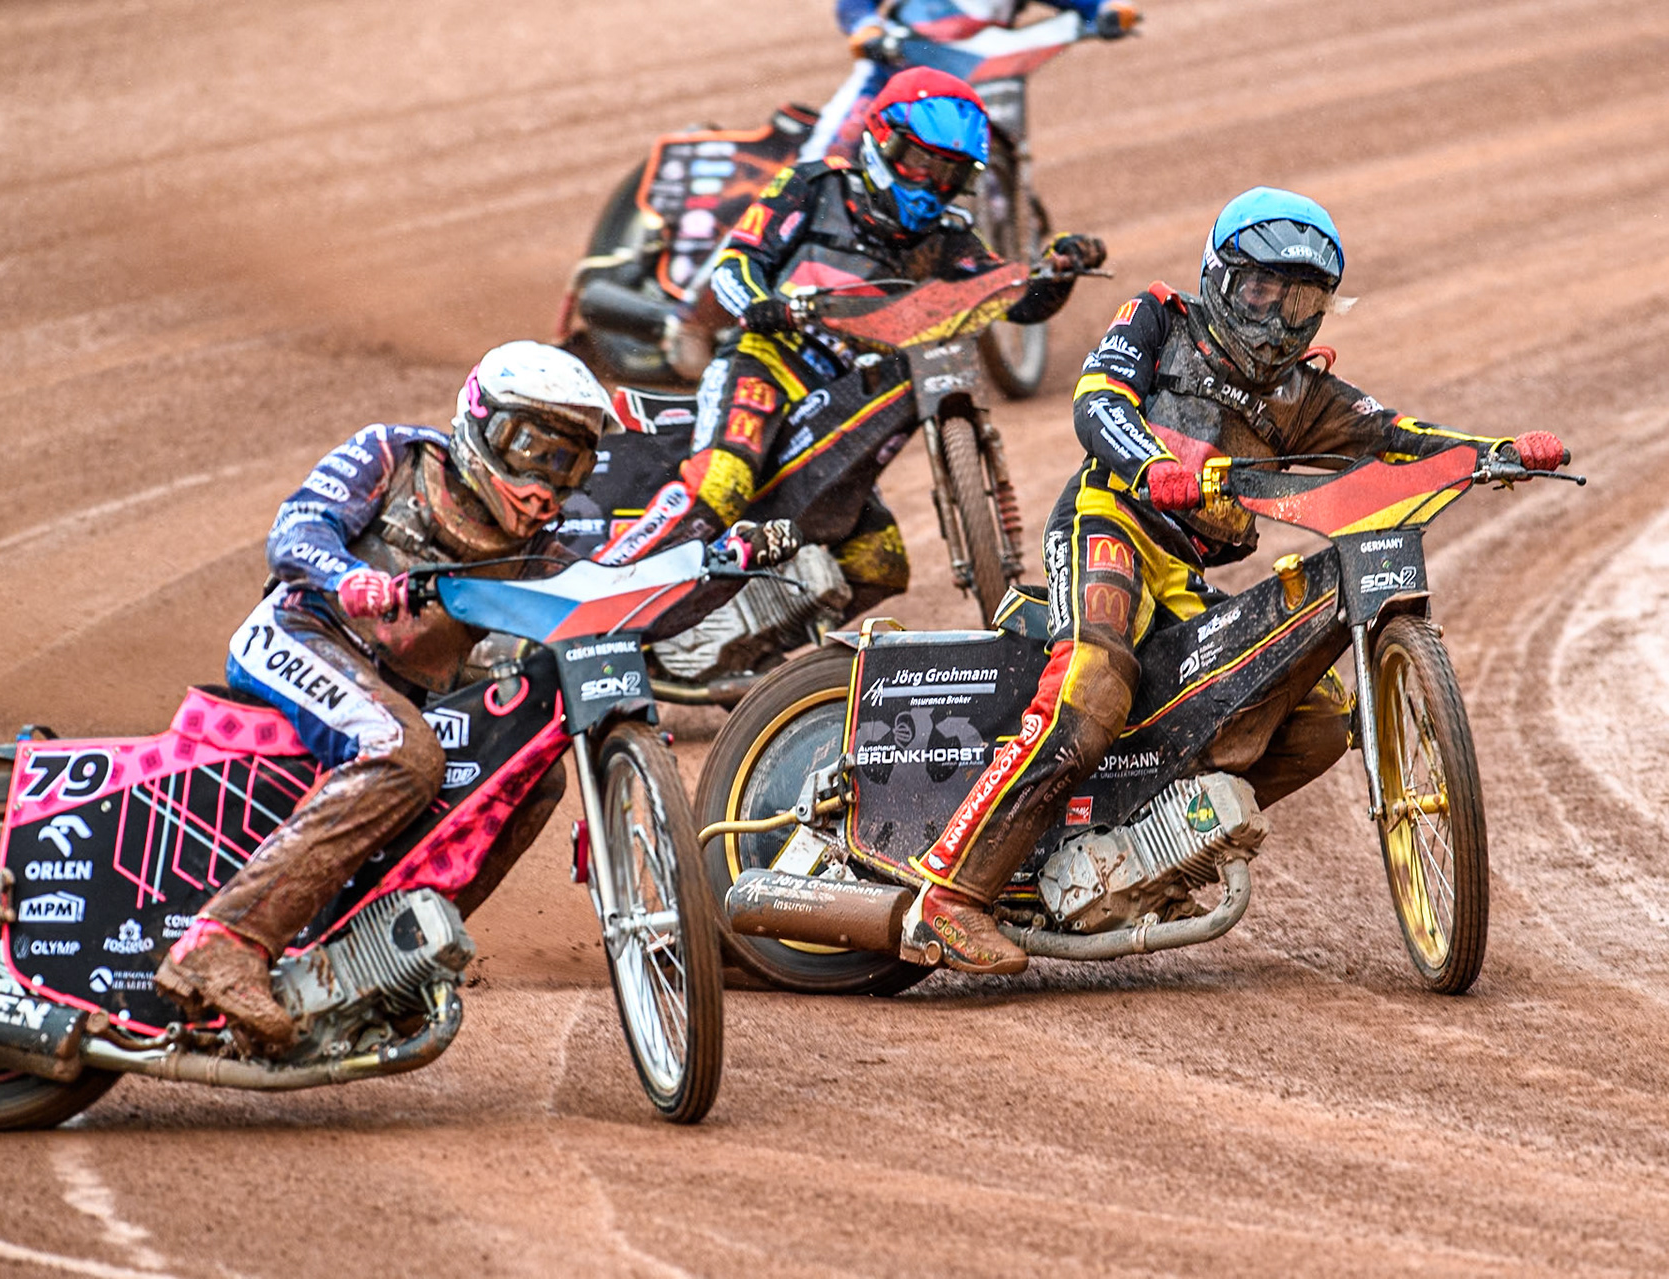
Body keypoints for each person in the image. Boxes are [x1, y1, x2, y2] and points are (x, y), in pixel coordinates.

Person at [898, 186, 1570, 974]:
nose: (1278, 320)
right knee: (1092, 686)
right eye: (1261, 292)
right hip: (1106, 522)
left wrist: (1494, 453)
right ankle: (949, 894)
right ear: (1219, 278)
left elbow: (1397, 435)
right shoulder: (1158, 318)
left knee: (1319, 717)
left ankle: (1154, 853)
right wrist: (1151, 464)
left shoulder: (1303, 393)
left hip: (1179, 572)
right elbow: (1096, 401)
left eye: (1301, 302)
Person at [154, 341, 616, 1050]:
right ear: (479, 421)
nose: (544, 483)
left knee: (532, 774)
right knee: (406, 754)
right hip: (302, 634)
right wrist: (346, 577)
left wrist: (718, 562)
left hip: (403, 690)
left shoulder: (549, 544)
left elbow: (610, 601)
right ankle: (222, 943)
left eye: (567, 464)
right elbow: (296, 530)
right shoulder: (394, 455)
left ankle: (385, 961)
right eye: (529, 449)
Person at [597, 66, 1106, 620]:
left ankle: (763, 645)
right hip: (766, 363)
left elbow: (1013, 301)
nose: (930, 186)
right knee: (721, 486)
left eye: (949, 174)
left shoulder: (950, 238)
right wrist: (760, 304)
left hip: (847, 402)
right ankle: (606, 595)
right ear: (881, 141)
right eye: (919, 163)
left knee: (878, 565)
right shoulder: (814, 187)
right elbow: (735, 263)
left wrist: (1059, 269)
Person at [801, 0, 1139, 162]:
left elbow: (1090, 4)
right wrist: (866, 27)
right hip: (897, 69)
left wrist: (1109, 11)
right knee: (829, 153)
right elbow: (854, 5)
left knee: (998, 152)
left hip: (978, 78)